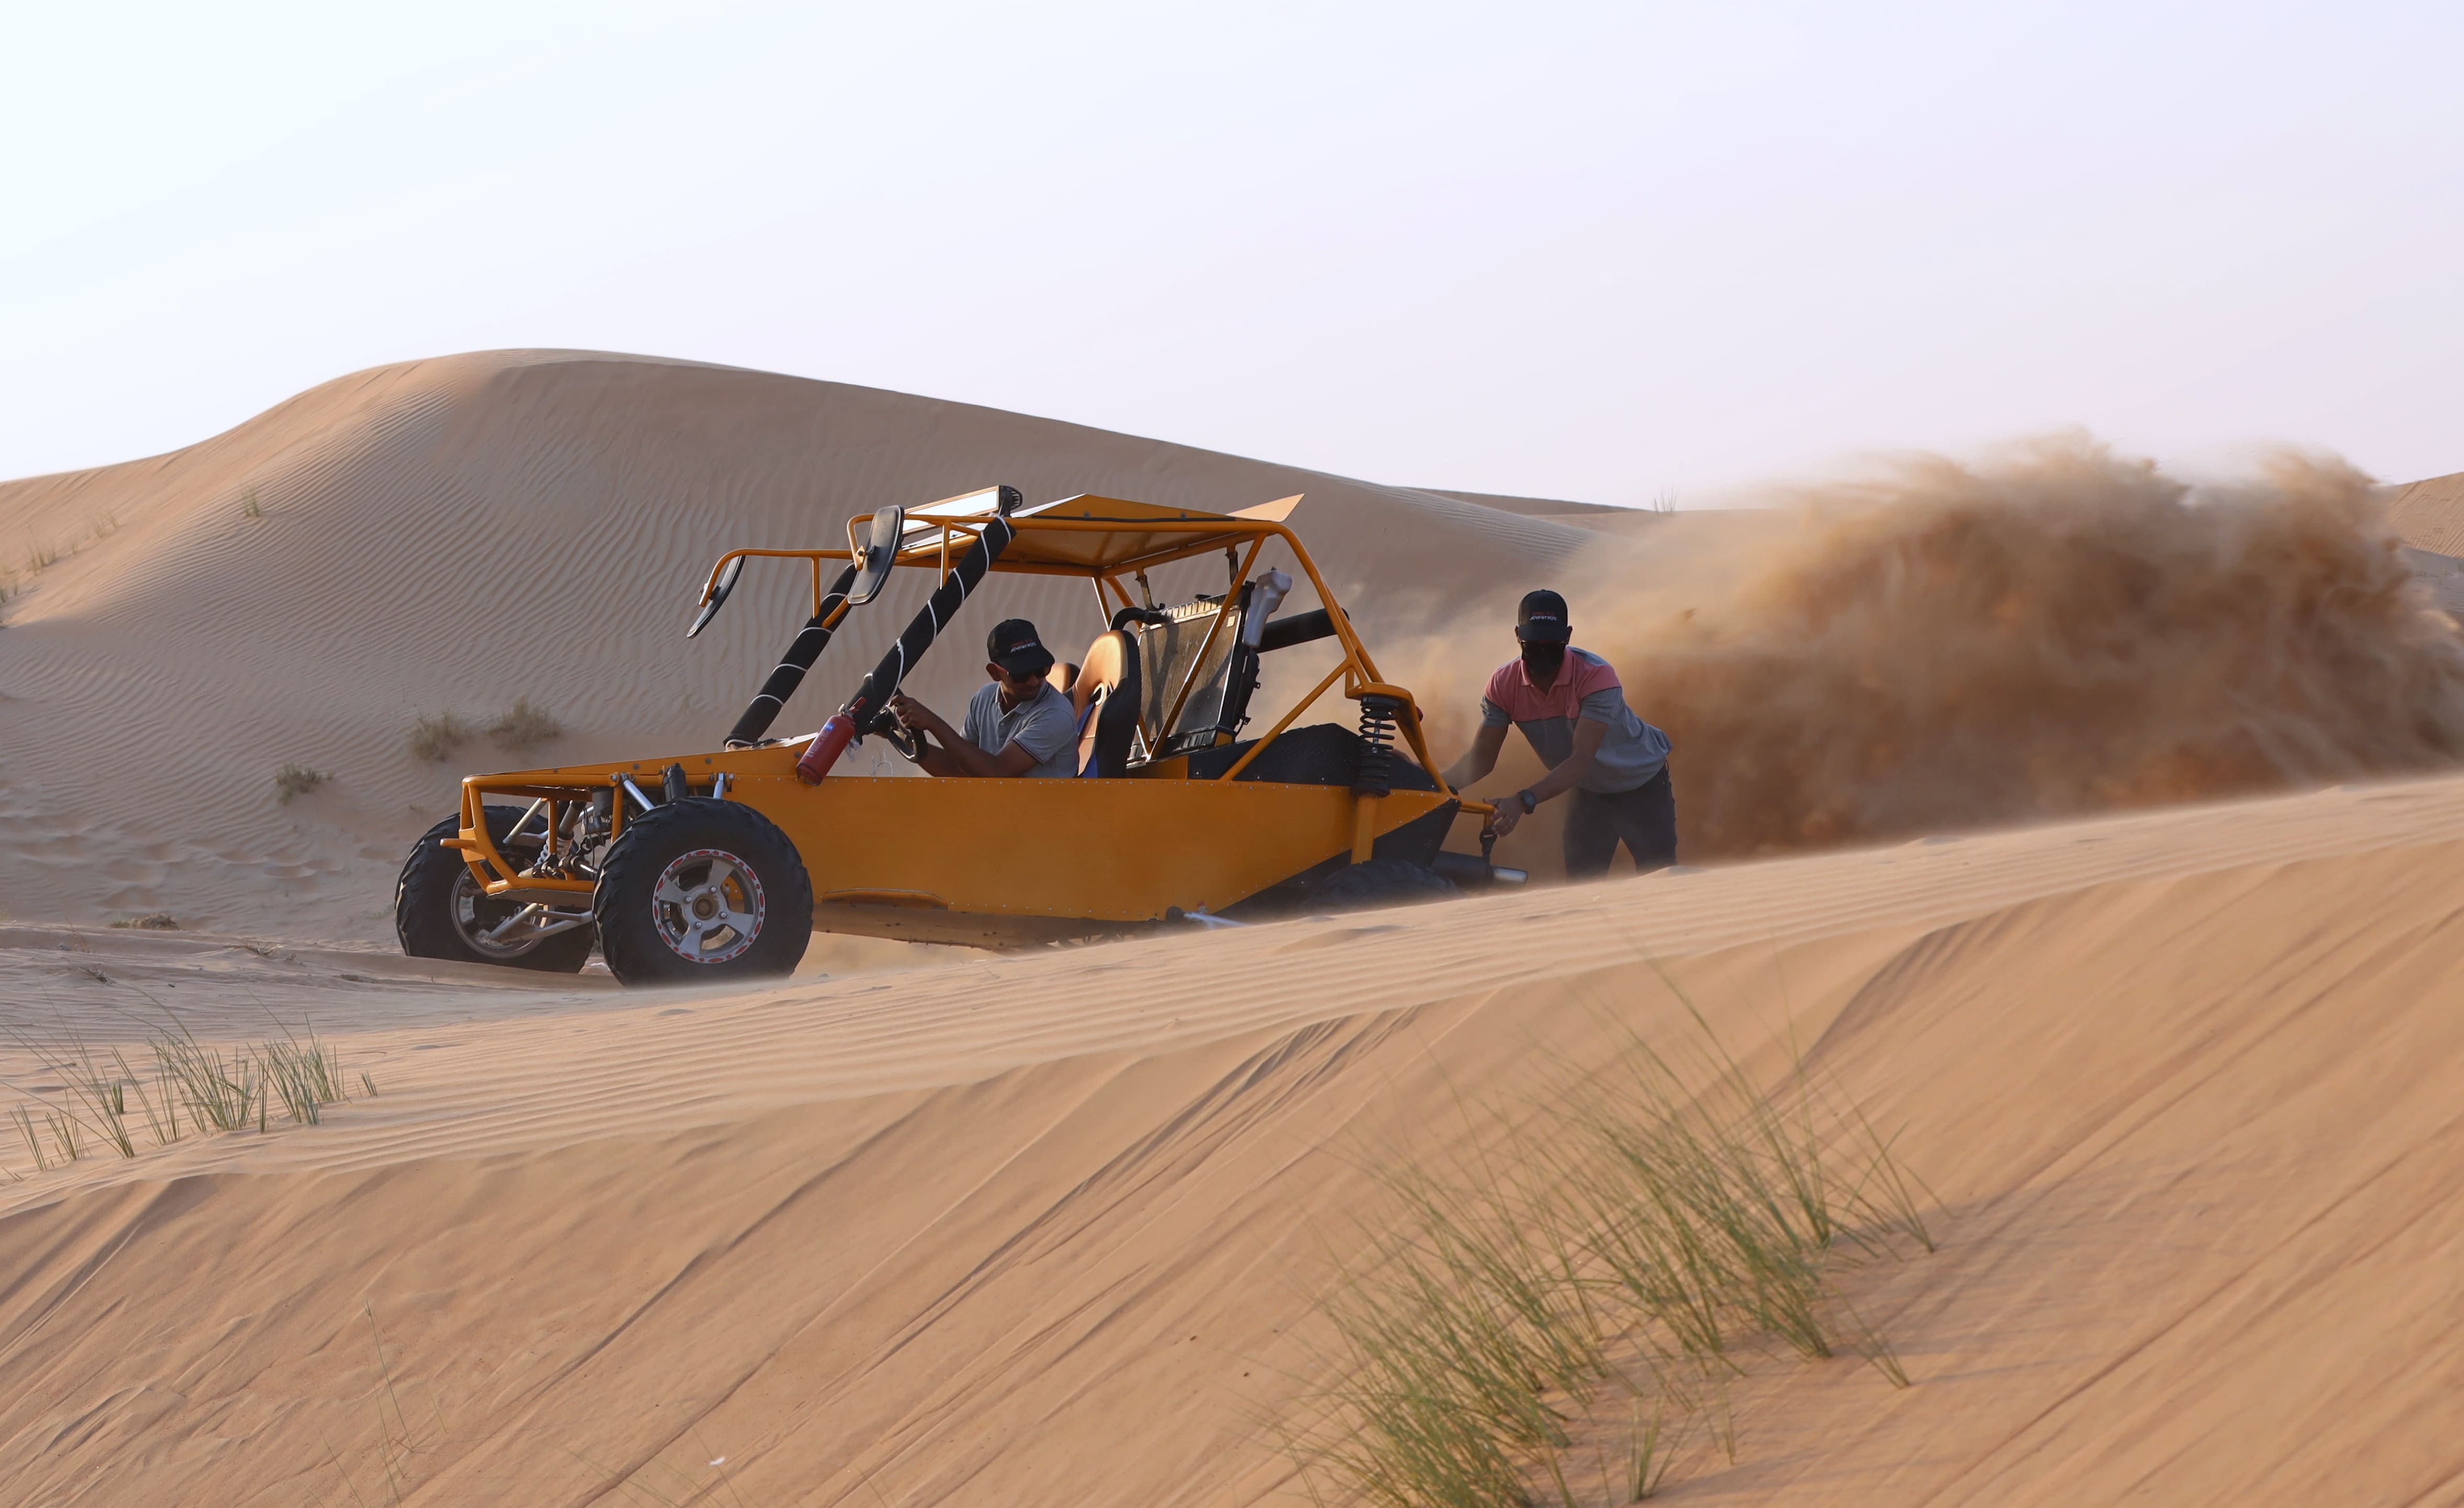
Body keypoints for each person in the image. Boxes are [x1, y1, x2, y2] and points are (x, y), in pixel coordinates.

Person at [1442, 589, 1676, 877]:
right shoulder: (1503, 684)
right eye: (1533, 643)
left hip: (1641, 784)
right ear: (1517, 635)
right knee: (1583, 885)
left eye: (1551, 643)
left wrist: (1522, 800)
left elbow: (1581, 760)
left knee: (1661, 879)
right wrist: (1435, 785)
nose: (1542, 652)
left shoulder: (1596, 676)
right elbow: (1482, 759)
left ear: (1567, 635)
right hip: (1589, 792)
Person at [887, 619, 1082, 778]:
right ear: (995, 673)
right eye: (1021, 675)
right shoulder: (985, 698)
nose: (1033, 681)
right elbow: (961, 769)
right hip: (999, 812)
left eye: (1041, 670)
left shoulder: (1056, 714)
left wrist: (933, 723)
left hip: (1045, 818)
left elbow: (996, 773)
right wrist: (896, 733)